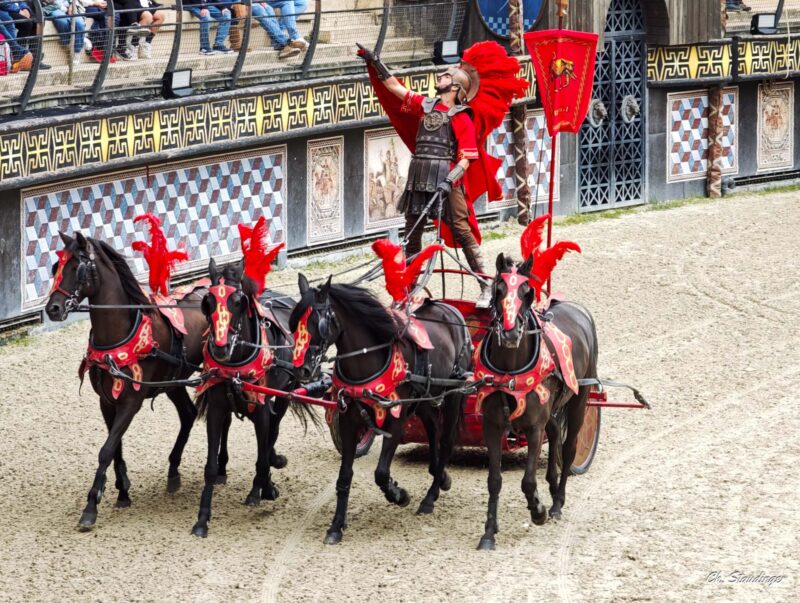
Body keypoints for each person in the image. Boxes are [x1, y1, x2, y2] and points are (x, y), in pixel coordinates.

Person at [358, 41, 528, 307]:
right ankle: (410, 288)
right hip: (418, 176)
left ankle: (485, 284)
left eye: (446, 75)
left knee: (461, 230)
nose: (440, 76)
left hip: (447, 179)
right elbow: (394, 87)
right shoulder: (425, 105)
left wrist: (450, 180)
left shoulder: (461, 117)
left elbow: (467, 157)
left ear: (456, 87)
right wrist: (375, 61)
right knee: (413, 232)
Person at [41, 0, 87, 66]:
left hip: (69, 5)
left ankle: (77, 52)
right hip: (53, 8)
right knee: (62, 21)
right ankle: (72, 42)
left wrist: (72, 5)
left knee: (79, 23)